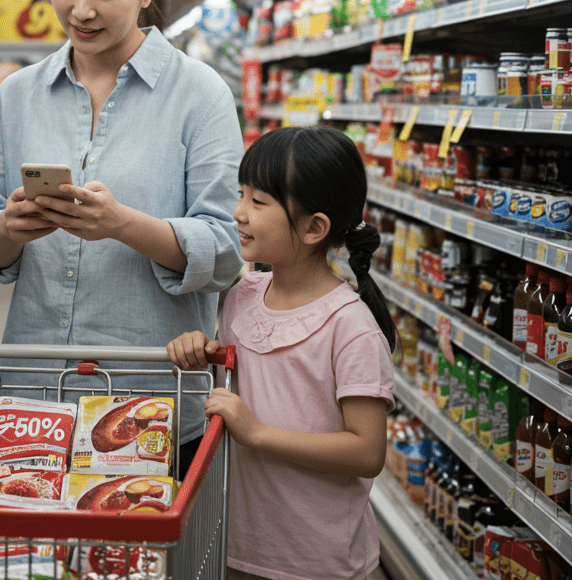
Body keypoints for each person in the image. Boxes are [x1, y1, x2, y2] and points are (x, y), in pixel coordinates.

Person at [0, 0, 244, 467]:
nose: (81, 9)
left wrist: (124, 226)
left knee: (140, 557)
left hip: (150, 405)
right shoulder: (18, 96)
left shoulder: (201, 96)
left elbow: (228, 249)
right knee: (34, 558)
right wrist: (9, 228)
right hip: (35, 399)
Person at [167, 125, 398, 580]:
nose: (238, 213)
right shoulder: (244, 295)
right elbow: (240, 379)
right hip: (237, 542)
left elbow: (367, 450)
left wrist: (257, 433)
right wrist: (205, 353)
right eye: (241, 194)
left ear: (314, 227)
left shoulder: (349, 326)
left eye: (259, 202)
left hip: (317, 561)